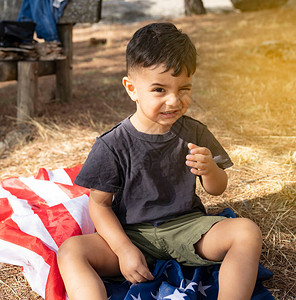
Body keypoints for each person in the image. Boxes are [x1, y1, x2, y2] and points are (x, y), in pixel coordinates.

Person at [57, 22, 262, 300]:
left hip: (187, 228)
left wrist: (211, 169)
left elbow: (217, 188)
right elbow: (100, 204)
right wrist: (124, 250)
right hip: (133, 234)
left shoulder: (194, 132)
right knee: (71, 251)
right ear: (132, 88)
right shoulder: (112, 144)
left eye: (184, 88)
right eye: (159, 90)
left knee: (247, 232)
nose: (174, 100)